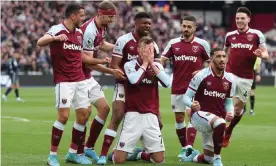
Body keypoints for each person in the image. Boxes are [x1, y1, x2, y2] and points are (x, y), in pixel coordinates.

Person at [37, 3, 103, 165]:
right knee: (64, 116)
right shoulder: (57, 29)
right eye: (81, 15)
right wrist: (54, 38)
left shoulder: (79, 33)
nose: (83, 18)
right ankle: (52, 155)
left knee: (83, 115)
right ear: (73, 16)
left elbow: (83, 58)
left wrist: (101, 61)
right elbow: (40, 41)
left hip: (80, 80)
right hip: (64, 81)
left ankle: (73, 153)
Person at [96, 12, 160, 165]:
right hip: (124, 85)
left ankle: (143, 152)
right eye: (144, 23)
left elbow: (157, 67)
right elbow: (114, 65)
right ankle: (103, 155)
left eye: (149, 24)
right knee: (117, 115)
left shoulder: (153, 44)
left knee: (159, 122)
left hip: (144, 89)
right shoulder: (123, 40)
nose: (147, 26)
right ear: (136, 23)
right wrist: (130, 78)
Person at [77, 1, 125, 162]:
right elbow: (88, 61)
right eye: (110, 17)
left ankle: (89, 147)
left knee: (104, 109)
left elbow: (102, 44)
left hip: (87, 76)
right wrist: (111, 70)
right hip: (78, 77)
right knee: (84, 114)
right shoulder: (89, 31)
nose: (112, 20)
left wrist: (120, 47)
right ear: (101, 14)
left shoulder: (101, 27)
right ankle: (76, 152)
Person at [112, 36, 170, 164]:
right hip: (133, 114)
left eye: (151, 50)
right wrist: (144, 64)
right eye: (145, 49)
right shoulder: (130, 64)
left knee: (159, 160)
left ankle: (139, 155)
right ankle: (115, 152)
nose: (148, 52)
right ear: (138, 50)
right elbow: (134, 81)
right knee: (118, 160)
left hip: (151, 115)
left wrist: (152, 64)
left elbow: (167, 83)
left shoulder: (157, 66)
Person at [161, 15, 210, 158]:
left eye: (189, 27)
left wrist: (201, 71)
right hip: (177, 86)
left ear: (195, 28)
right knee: (179, 119)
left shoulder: (202, 44)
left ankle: (189, 147)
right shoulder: (173, 43)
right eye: (184, 26)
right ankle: (185, 148)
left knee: (193, 116)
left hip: (196, 88)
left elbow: (210, 63)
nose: (186, 29)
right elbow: (162, 59)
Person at [223, 7, 269, 147]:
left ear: (248, 19)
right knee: (222, 102)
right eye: (237, 18)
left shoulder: (256, 35)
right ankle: (217, 127)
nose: (240, 21)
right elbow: (224, 53)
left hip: (246, 78)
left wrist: (263, 55)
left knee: (238, 110)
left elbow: (266, 53)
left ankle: (229, 130)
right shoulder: (229, 36)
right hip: (229, 73)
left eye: (242, 18)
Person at [181, 47, 235, 166]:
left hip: (215, 120)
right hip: (198, 117)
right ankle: (218, 158)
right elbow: (185, 97)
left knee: (207, 159)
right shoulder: (201, 75)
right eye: (218, 56)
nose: (222, 59)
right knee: (220, 122)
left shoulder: (230, 79)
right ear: (211, 59)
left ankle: (194, 156)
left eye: (224, 56)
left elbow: (228, 102)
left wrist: (230, 112)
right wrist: (191, 104)